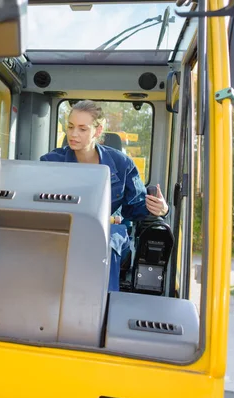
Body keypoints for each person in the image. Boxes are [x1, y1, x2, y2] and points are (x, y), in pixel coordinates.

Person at [40, 100, 168, 292]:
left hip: (110, 231)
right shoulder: (50, 162)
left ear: (97, 131)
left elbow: (135, 208)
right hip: (67, 229)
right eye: (71, 127)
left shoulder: (121, 163)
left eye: (83, 129)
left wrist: (162, 209)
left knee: (106, 242)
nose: (74, 134)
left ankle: (104, 307)